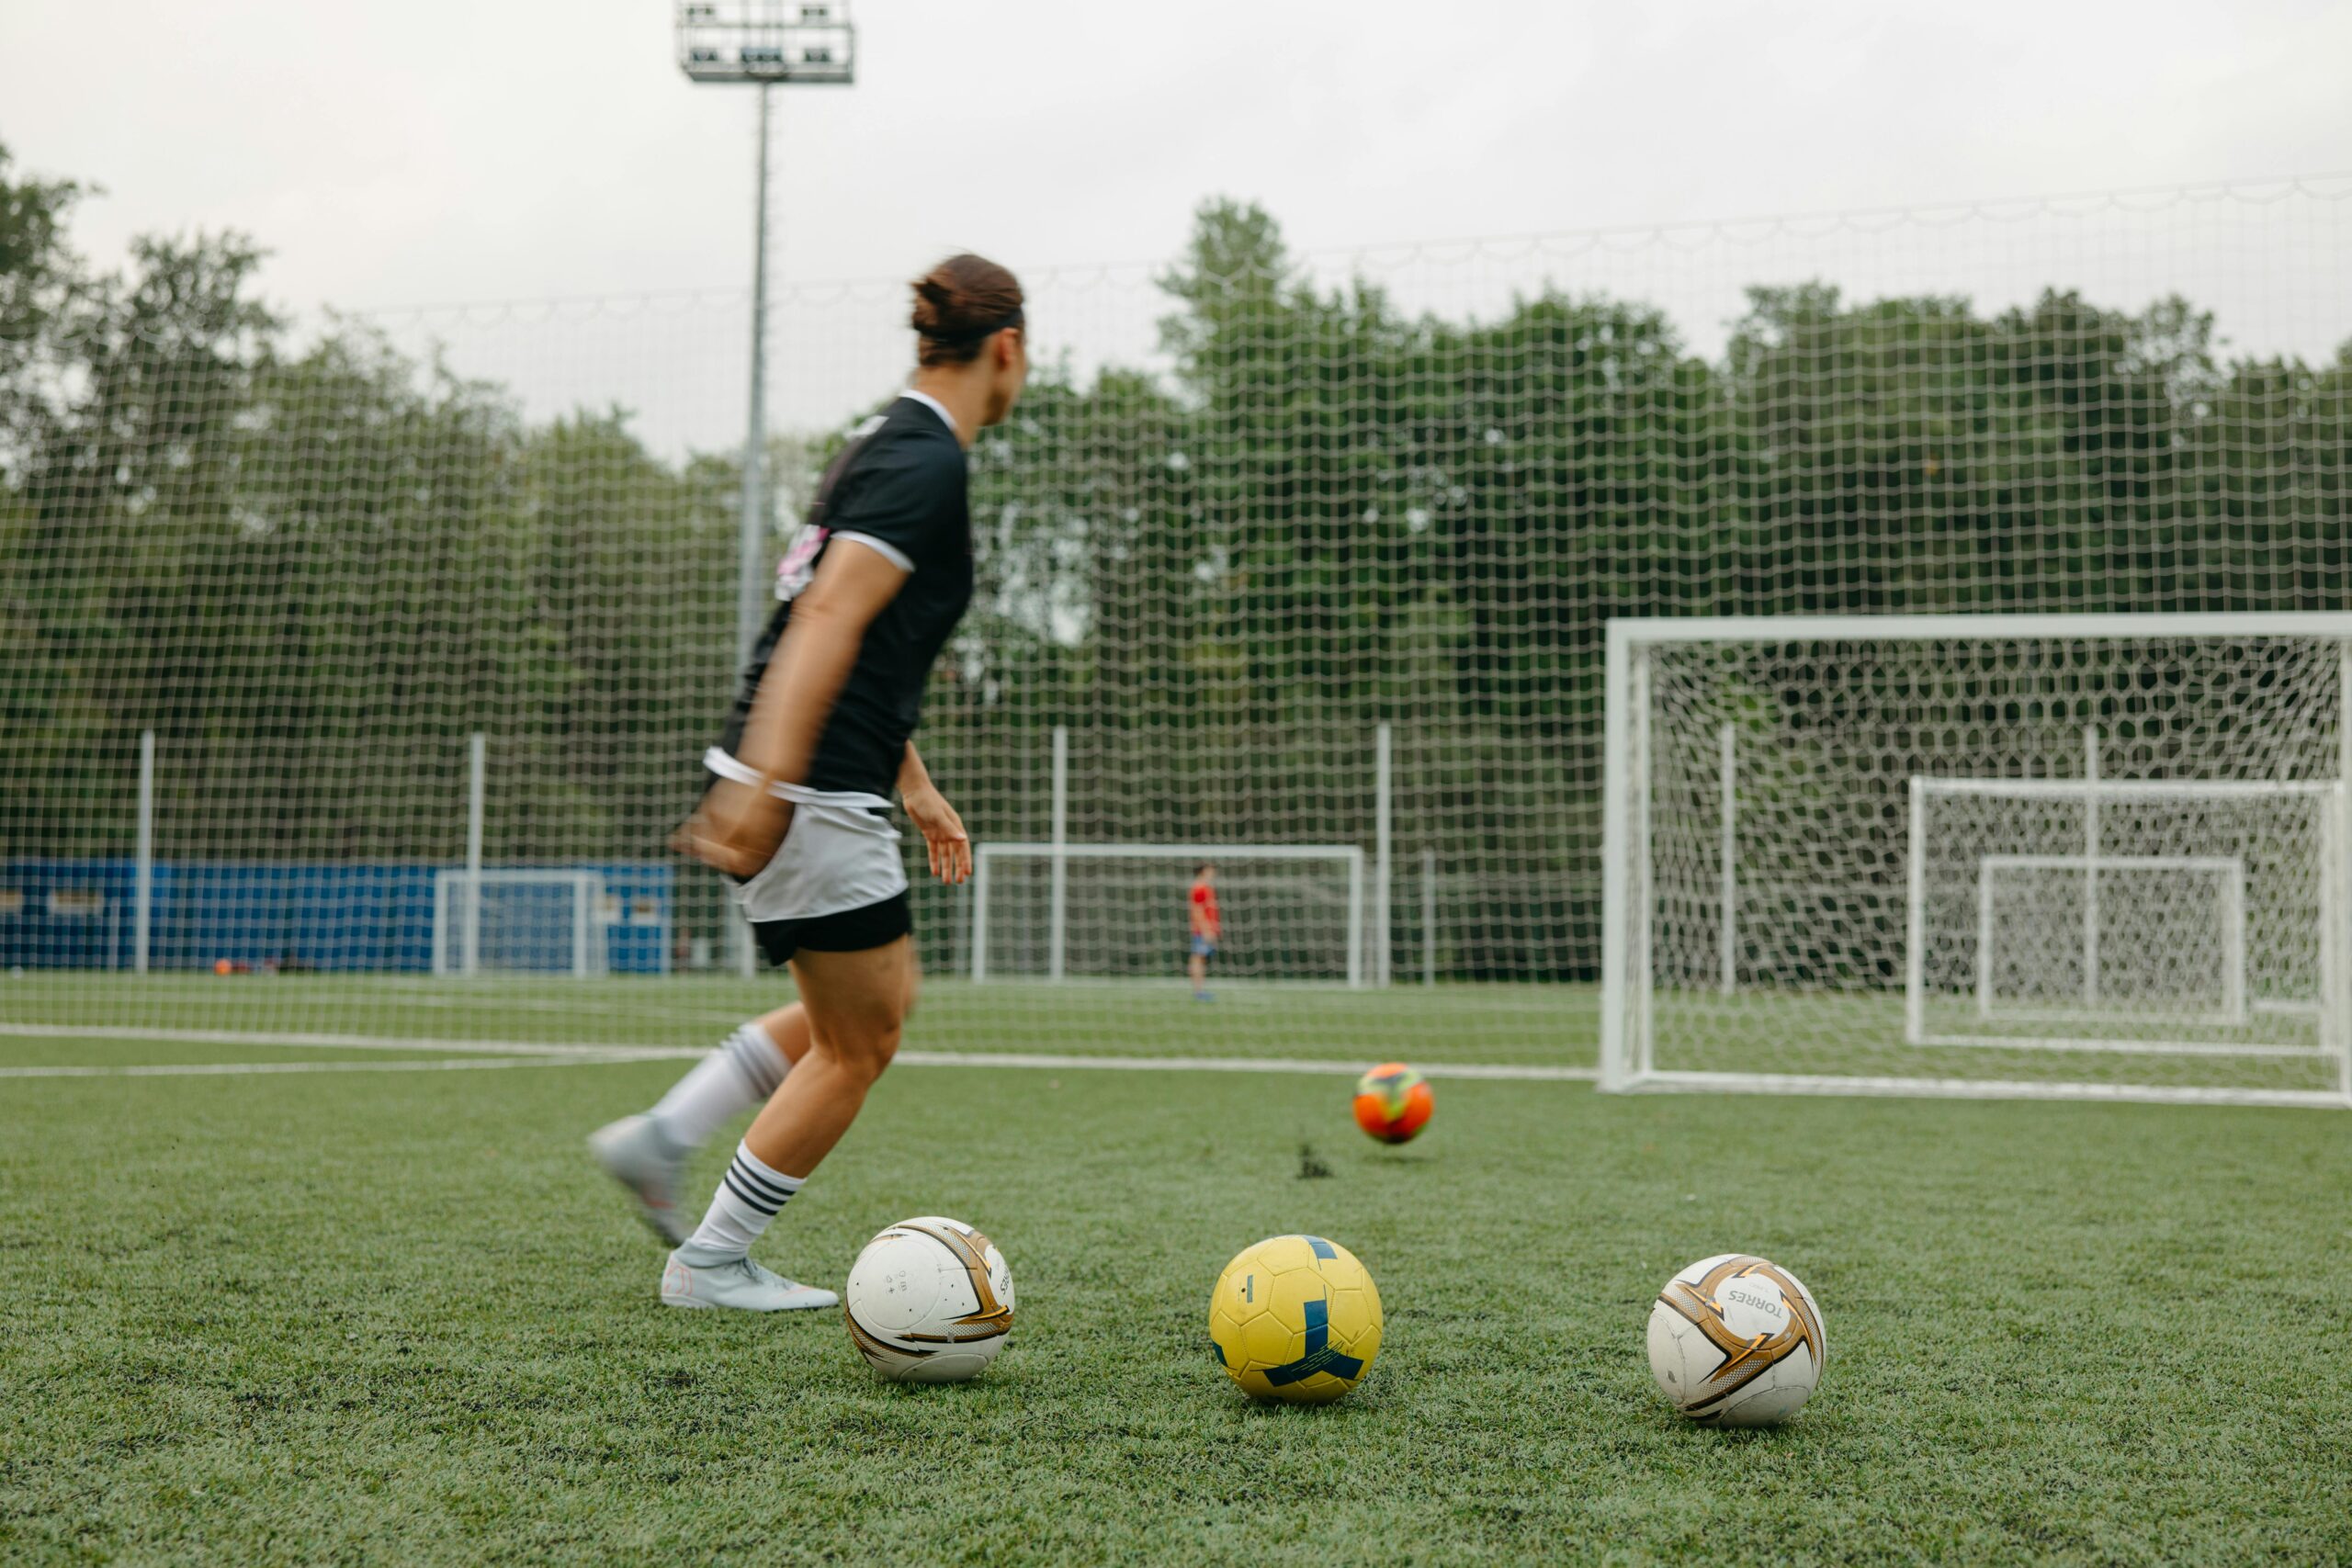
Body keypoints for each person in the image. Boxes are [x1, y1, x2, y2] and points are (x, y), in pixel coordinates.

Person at [590, 254, 1029, 1312]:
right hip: (813, 784)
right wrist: (772, 782)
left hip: (821, 772)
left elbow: (856, 635)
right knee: (859, 1041)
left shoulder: (880, 445)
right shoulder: (926, 467)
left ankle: (664, 1136)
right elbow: (825, 621)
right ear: (1006, 349)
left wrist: (912, 784)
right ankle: (709, 1262)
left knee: (867, 1008)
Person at [1188, 862, 1219, 1000]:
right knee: (1198, 958)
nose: (1213, 874)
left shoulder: (1205, 887)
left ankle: (1199, 990)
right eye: (1210, 871)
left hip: (1205, 929)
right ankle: (1198, 992)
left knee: (1200, 959)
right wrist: (1206, 929)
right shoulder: (1199, 888)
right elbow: (1197, 910)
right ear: (1202, 872)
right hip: (1201, 930)